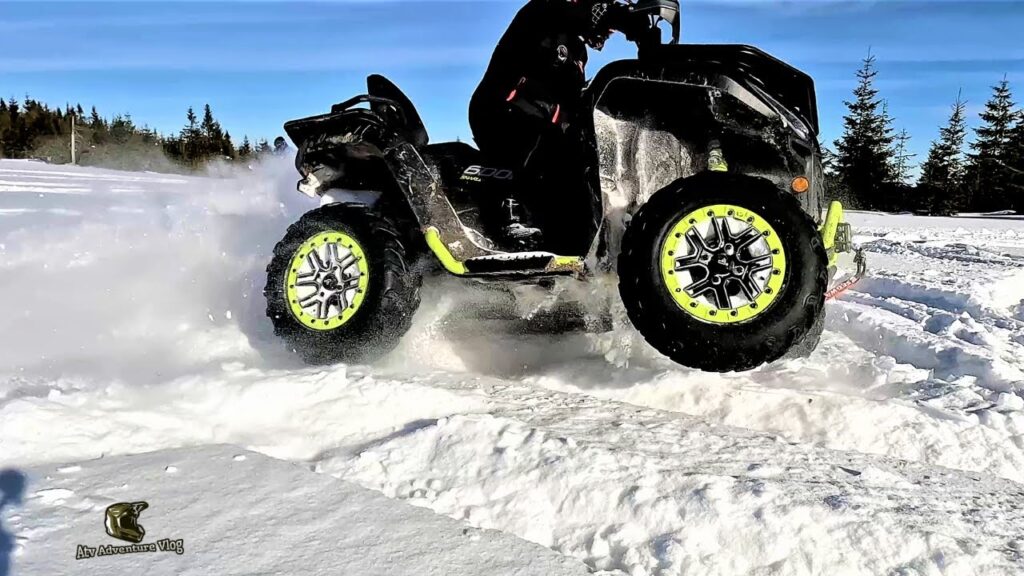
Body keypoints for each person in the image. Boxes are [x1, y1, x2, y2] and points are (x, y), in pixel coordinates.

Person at [469, 0, 627, 247]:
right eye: (604, 7)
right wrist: (616, 14)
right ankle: (509, 213)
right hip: (502, 108)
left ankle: (574, 239)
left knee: (578, 155)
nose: (610, 33)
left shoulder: (577, 50)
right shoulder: (542, 13)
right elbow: (561, 11)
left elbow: (572, 100)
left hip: (543, 118)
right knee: (538, 133)